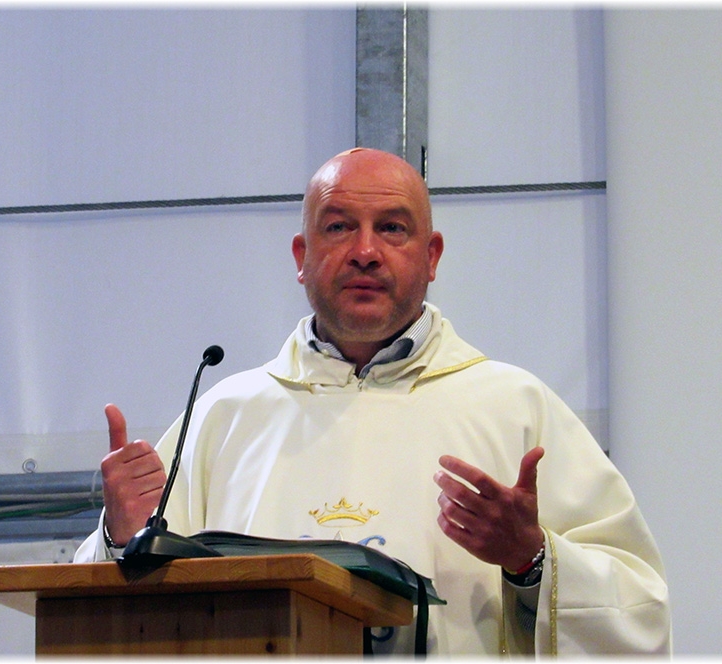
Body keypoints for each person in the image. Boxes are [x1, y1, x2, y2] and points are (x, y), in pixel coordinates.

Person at [74, 147, 671, 655]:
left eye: (392, 228)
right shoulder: (224, 417)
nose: (365, 251)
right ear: (301, 257)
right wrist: (121, 540)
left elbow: (638, 610)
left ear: (431, 256)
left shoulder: (515, 408)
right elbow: (108, 617)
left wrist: (530, 558)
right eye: (338, 227)